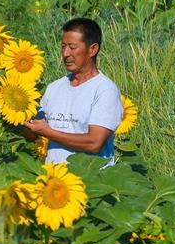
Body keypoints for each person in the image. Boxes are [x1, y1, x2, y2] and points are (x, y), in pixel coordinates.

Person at [24, 18, 123, 168]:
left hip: (93, 182)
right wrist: (17, 115)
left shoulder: (105, 90)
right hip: (56, 183)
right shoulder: (54, 88)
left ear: (92, 49)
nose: (65, 53)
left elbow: (94, 143)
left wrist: (48, 132)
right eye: (63, 46)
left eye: (72, 47)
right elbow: (33, 134)